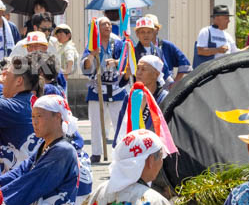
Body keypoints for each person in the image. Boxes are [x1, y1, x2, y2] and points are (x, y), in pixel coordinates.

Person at [82, 17, 127, 163]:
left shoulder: (119, 42)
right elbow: (85, 67)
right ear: (97, 28)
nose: (107, 26)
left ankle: (121, 152)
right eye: (103, 24)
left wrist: (116, 62)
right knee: (96, 123)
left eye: (109, 23)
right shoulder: (91, 45)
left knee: (119, 122)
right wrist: (92, 55)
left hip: (116, 87)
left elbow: (127, 61)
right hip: (97, 87)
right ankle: (96, 152)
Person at [112, 56, 167, 145]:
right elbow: (121, 124)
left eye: (143, 69)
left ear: (156, 74)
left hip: (155, 148)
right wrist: (116, 145)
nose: (138, 73)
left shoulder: (164, 98)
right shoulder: (131, 96)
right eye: (137, 68)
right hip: (133, 147)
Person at [134, 14, 191, 88]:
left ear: (156, 30)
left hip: (159, 88)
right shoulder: (133, 51)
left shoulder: (160, 49)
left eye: (149, 31)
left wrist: (173, 84)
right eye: (142, 32)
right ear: (137, 34)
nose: (146, 35)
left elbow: (165, 70)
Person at [192, 4, 237, 69]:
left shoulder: (228, 36)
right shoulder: (206, 31)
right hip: (208, 73)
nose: (229, 21)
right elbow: (200, 51)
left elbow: (236, 53)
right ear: (217, 18)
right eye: (226, 18)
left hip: (223, 72)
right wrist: (218, 50)